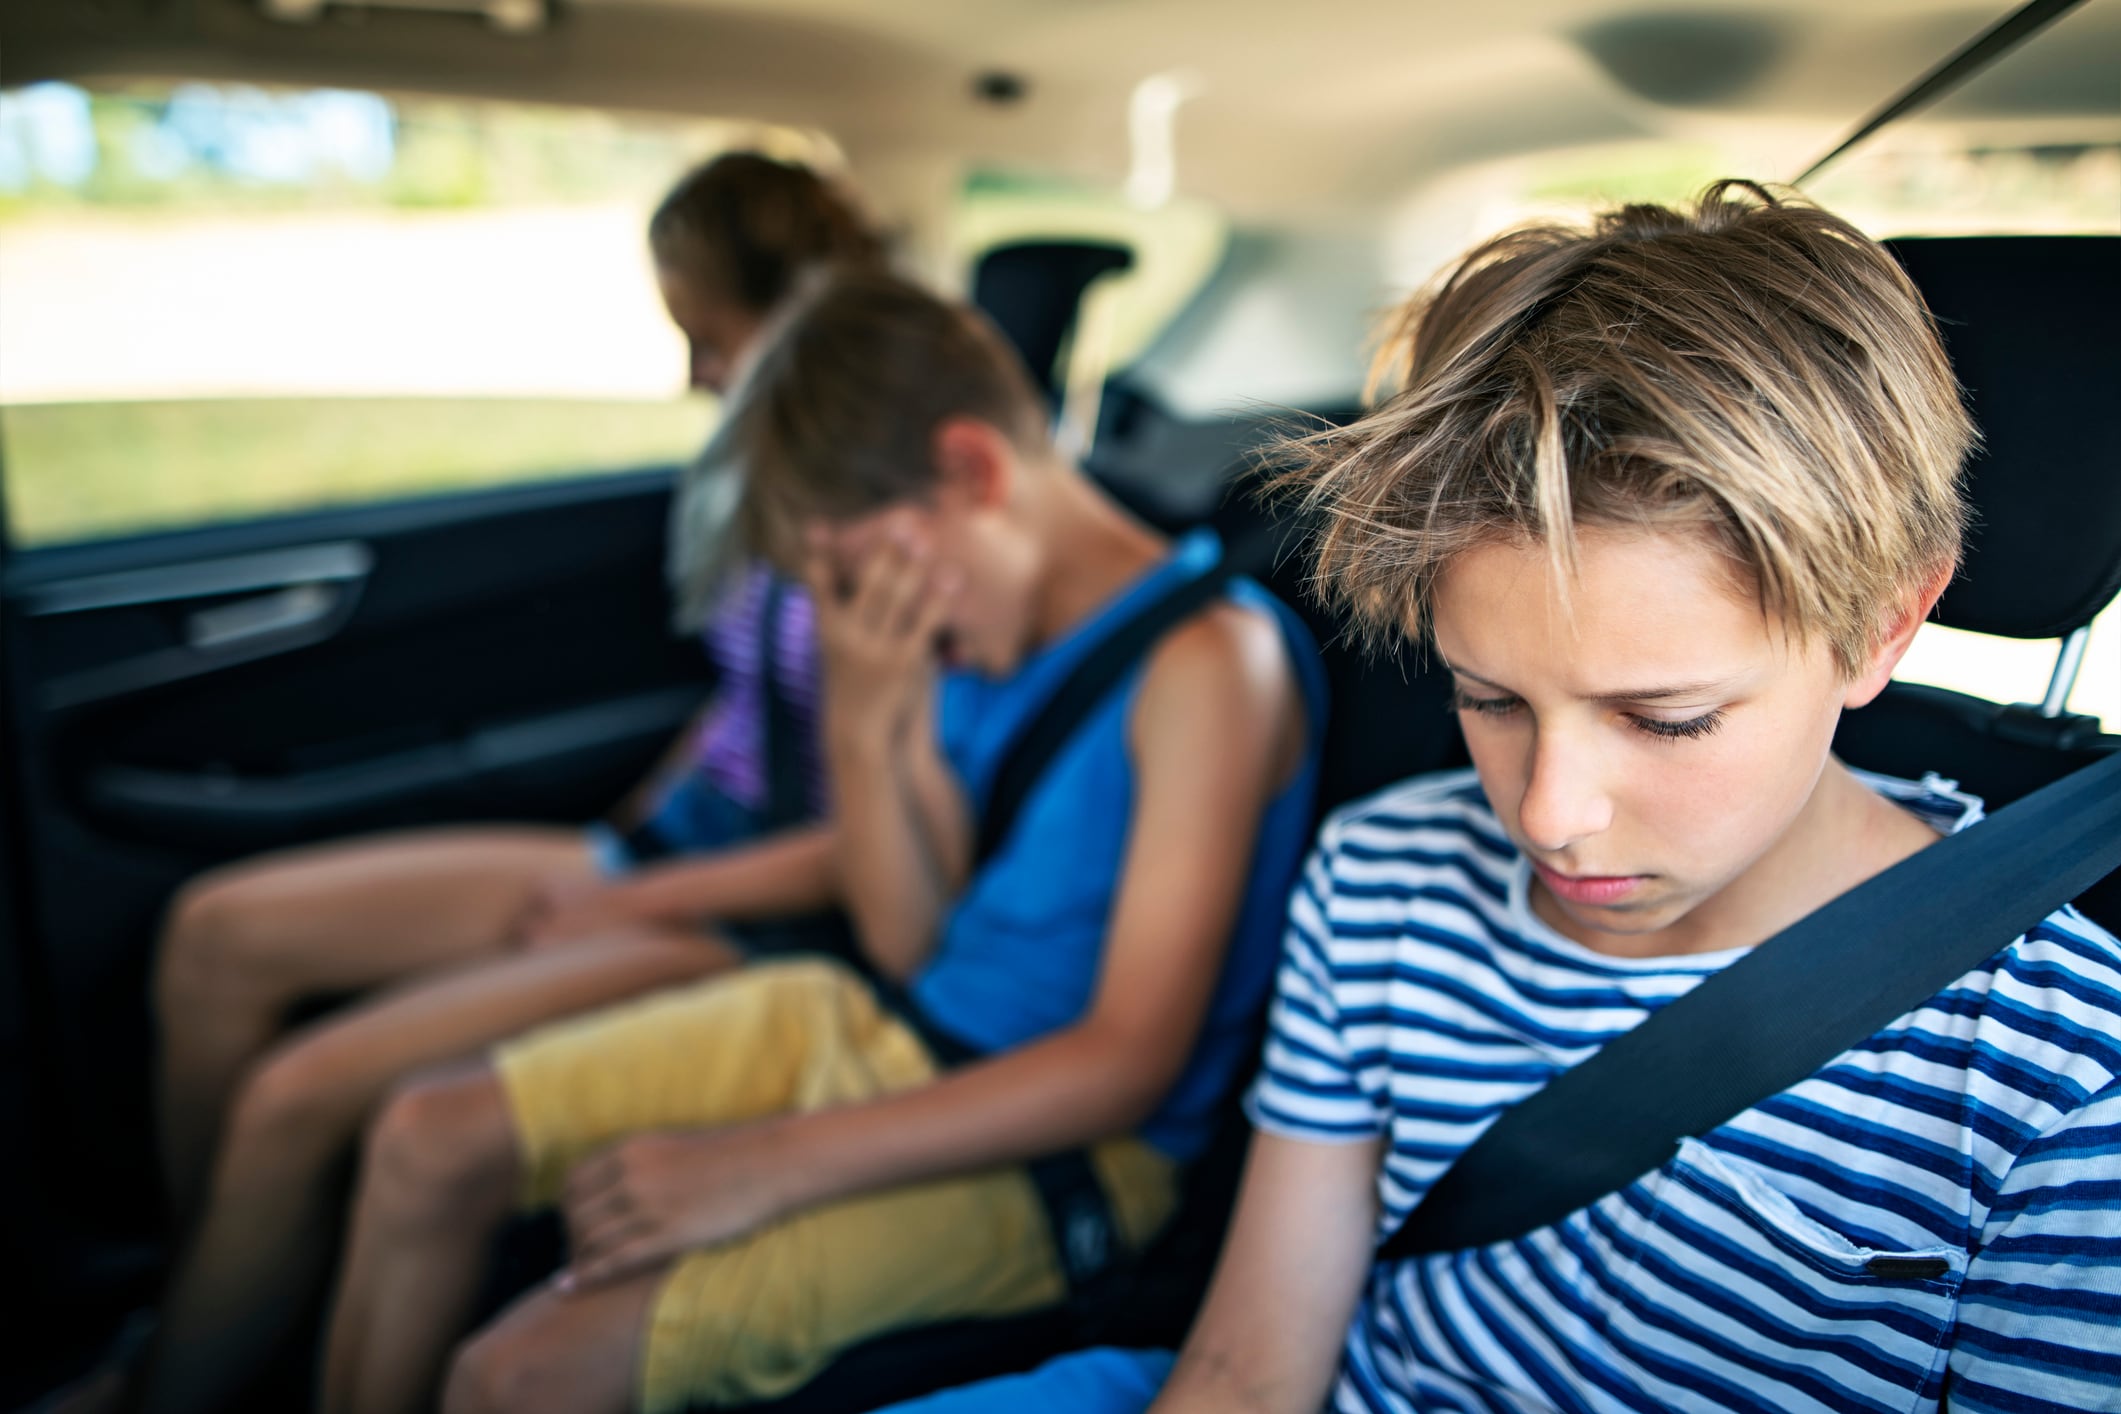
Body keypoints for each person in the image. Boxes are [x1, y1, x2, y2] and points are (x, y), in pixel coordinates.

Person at [873, 182, 2121, 1414]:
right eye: (1489, 699)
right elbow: (1250, 1370)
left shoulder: (2057, 1088)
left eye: (1665, 718)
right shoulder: (1382, 876)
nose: (1546, 815)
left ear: (1884, 623)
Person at [314, 269, 1328, 1414]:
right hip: (888, 1025)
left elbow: (1123, 1062)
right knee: (424, 1135)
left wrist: (761, 1163)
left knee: (514, 1375)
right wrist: (862, 715)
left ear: (973, 472)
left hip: (1075, 1151)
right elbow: (910, 948)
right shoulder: (971, 642)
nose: (863, 615)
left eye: (857, 577)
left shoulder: (1208, 667)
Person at [108, 153, 886, 1414]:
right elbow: (751, 701)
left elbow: (864, 826)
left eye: (708, 335)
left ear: (788, 305)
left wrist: (623, 902)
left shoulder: (872, 509)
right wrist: (621, 839)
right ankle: (230, 1291)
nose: (690, 374)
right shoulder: (767, 467)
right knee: (216, 935)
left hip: (761, 911)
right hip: (678, 845)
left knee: (297, 1093)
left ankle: (174, 1380)